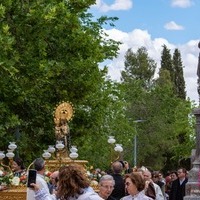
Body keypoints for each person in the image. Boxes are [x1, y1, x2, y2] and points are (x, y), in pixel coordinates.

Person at [31, 163, 104, 200]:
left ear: (66, 183)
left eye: (58, 180)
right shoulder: (70, 195)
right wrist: (38, 191)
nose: (57, 184)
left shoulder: (89, 197)